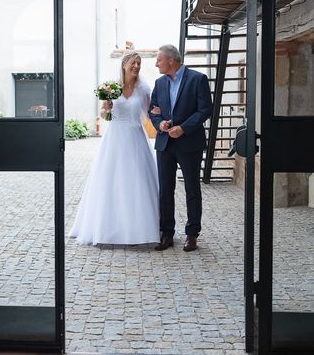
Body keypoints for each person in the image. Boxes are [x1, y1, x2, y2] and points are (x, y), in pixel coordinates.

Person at [69, 52, 160, 245]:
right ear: (124, 64)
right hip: (115, 138)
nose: (136, 66)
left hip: (136, 137)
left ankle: (141, 228)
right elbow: (102, 113)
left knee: (138, 181)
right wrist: (106, 109)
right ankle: (109, 228)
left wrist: (160, 115)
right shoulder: (112, 87)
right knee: (111, 180)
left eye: (139, 63)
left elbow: (149, 113)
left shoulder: (143, 89)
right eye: (133, 63)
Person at [149, 44, 212, 252]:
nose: (156, 63)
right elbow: (153, 110)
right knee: (165, 190)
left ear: (170, 60)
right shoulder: (159, 83)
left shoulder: (198, 79)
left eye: (159, 59)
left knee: (192, 189)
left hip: (189, 142)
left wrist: (183, 128)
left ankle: (192, 234)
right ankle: (167, 233)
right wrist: (160, 124)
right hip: (165, 143)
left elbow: (205, 110)